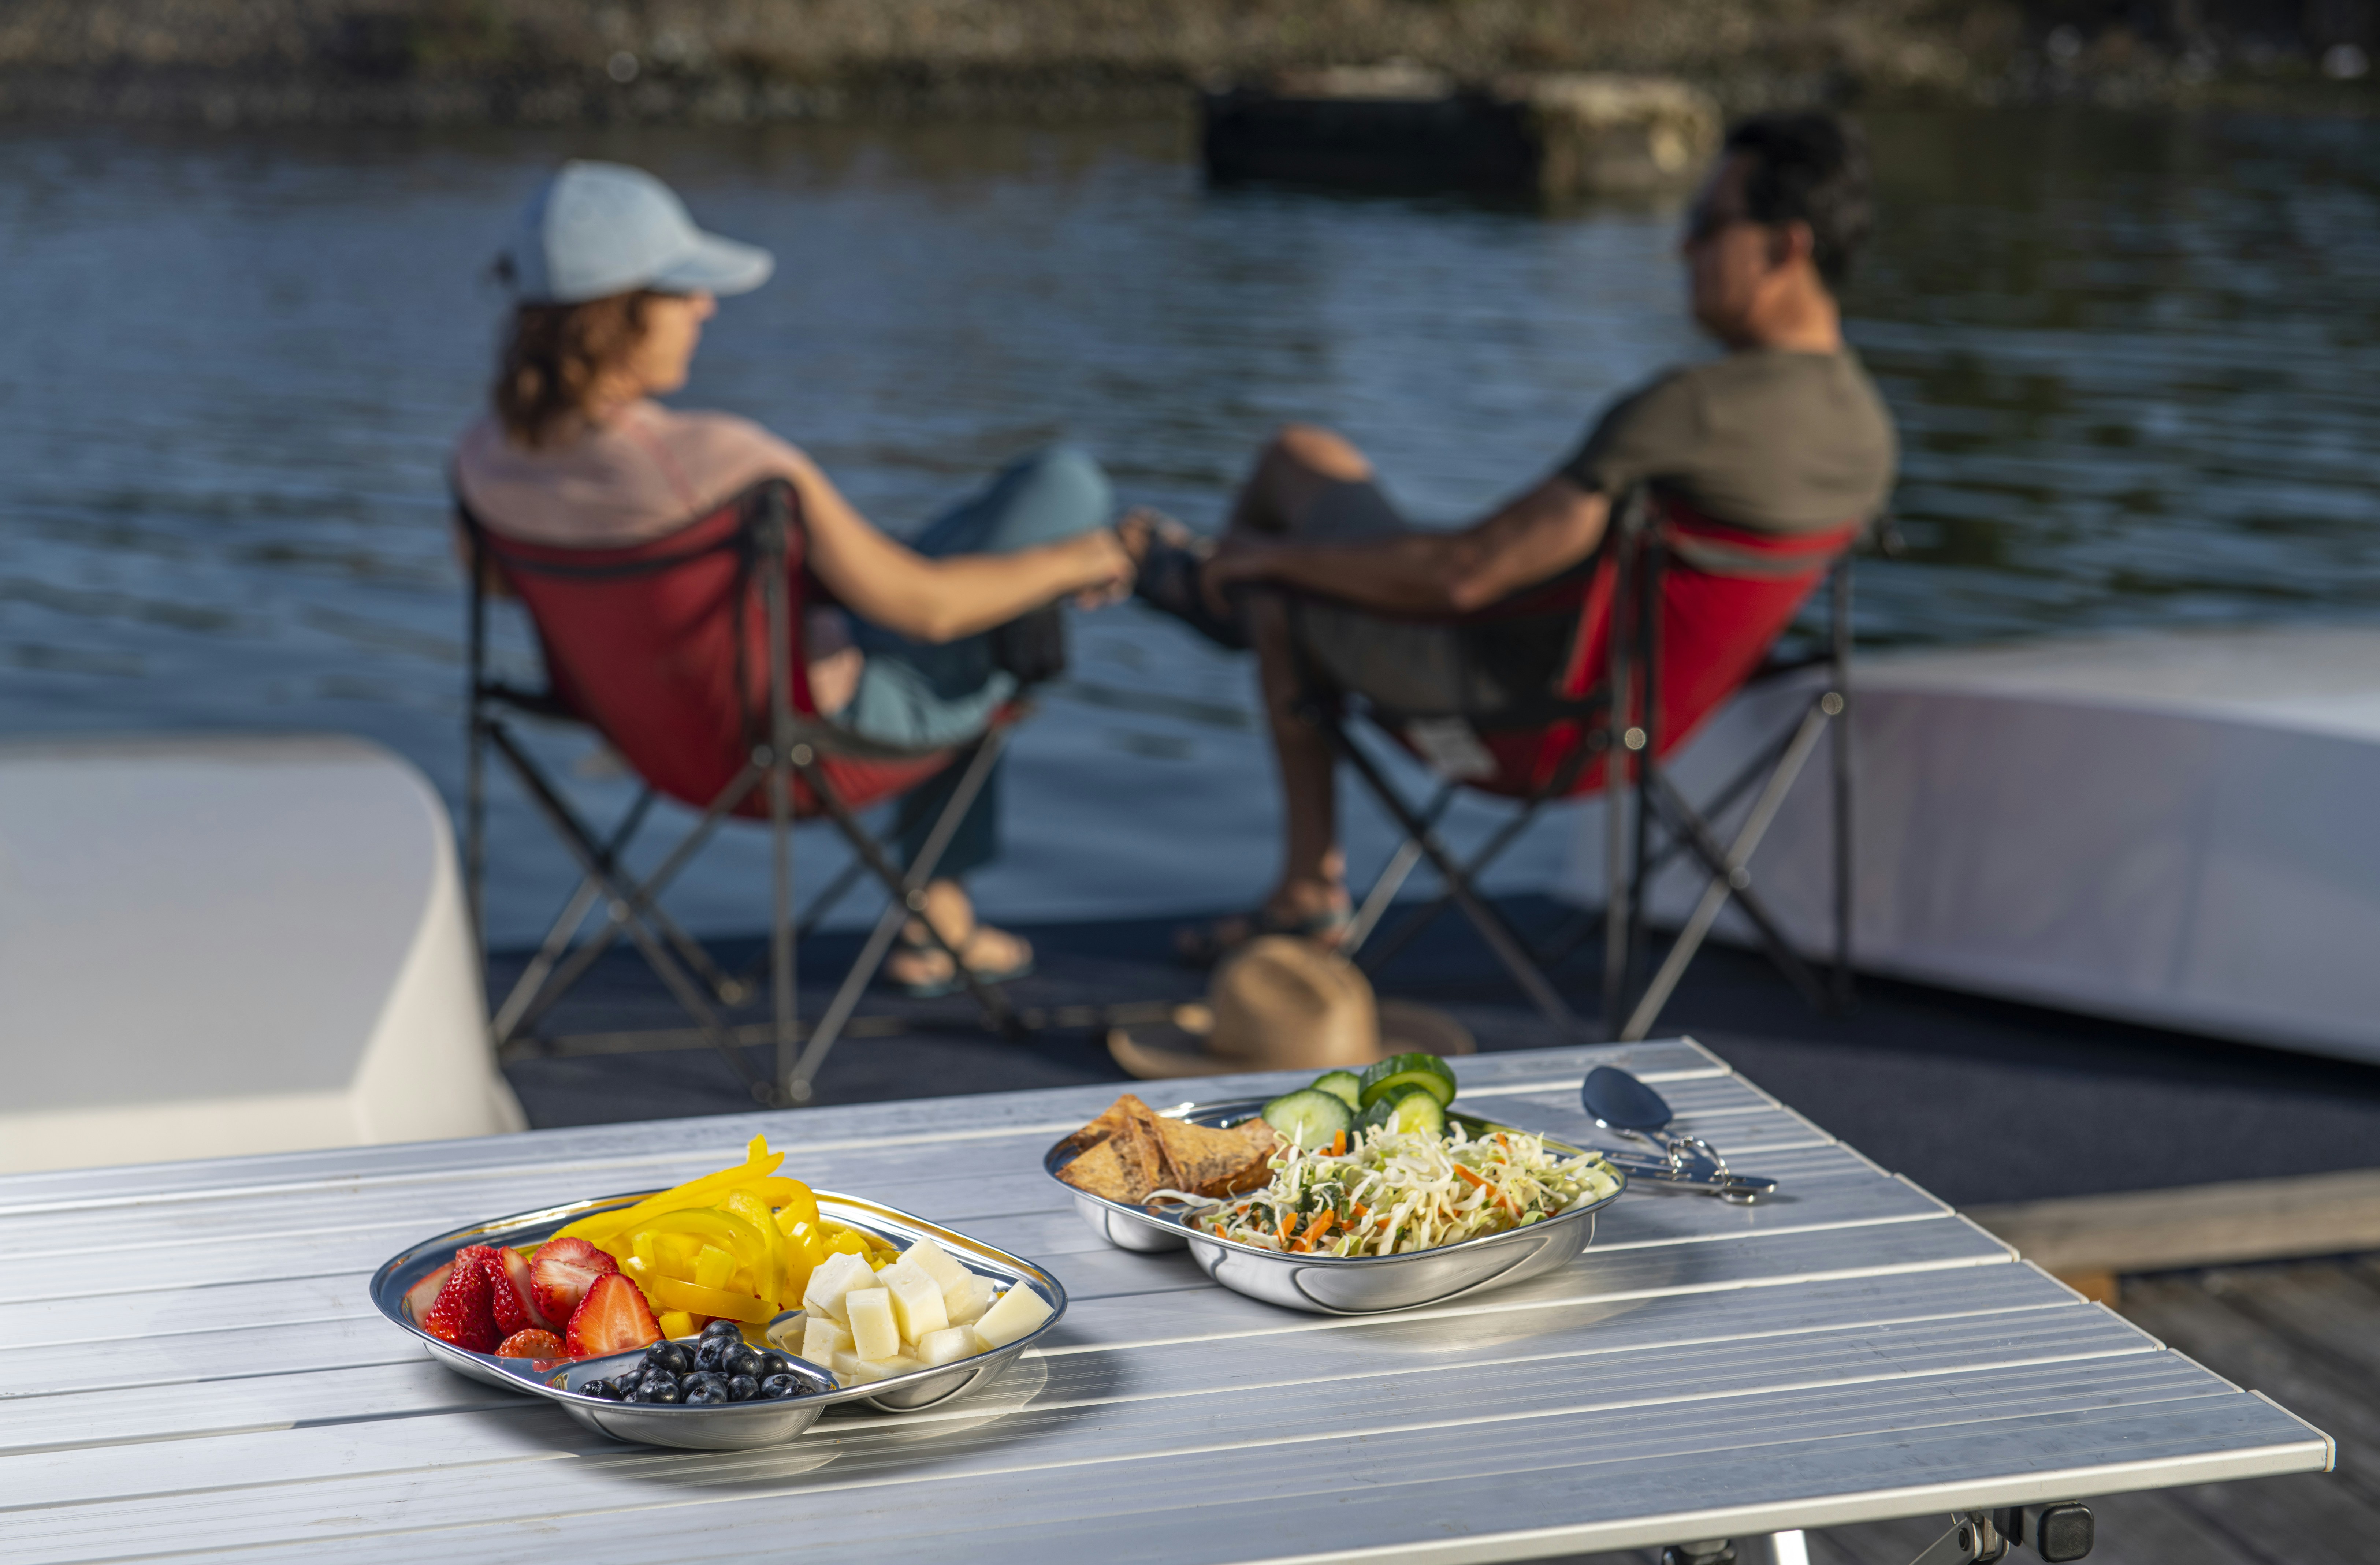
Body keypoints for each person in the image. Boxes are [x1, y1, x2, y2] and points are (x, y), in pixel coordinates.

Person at [1138, 111, 1899, 961]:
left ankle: (1301, 877)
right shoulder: (1867, 433)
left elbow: (1468, 576)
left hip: (1516, 721)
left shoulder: (1692, 409)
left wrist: (1273, 560)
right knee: (1301, 461)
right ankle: (1222, 587)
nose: (1682, 250)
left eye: (1705, 224)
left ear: (1784, 248)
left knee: (1281, 577)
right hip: (1637, 733)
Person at [455, 160, 1137, 994]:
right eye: (683, 290)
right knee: (1061, 489)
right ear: (619, 315)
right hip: (803, 750)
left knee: (974, 545)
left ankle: (940, 916)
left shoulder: (482, 466)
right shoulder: (731, 465)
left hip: (662, 747)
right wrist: (1087, 558)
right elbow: (928, 609)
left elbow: (508, 590)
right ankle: (939, 911)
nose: (706, 307)